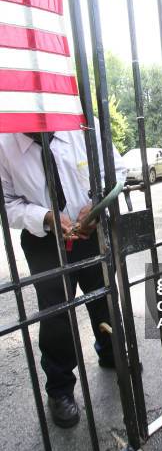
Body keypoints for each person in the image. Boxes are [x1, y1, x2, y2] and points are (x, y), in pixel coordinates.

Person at [0, 119, 126, 428]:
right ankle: (60, 389)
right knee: (56, 313)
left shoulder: (81, 121)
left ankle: (112, 352)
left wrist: (97, 203)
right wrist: (46, 217)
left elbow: (115, 171)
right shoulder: (4, 144)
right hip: (44, 241)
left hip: (90, 229)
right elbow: (7, 203)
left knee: (103, 297)